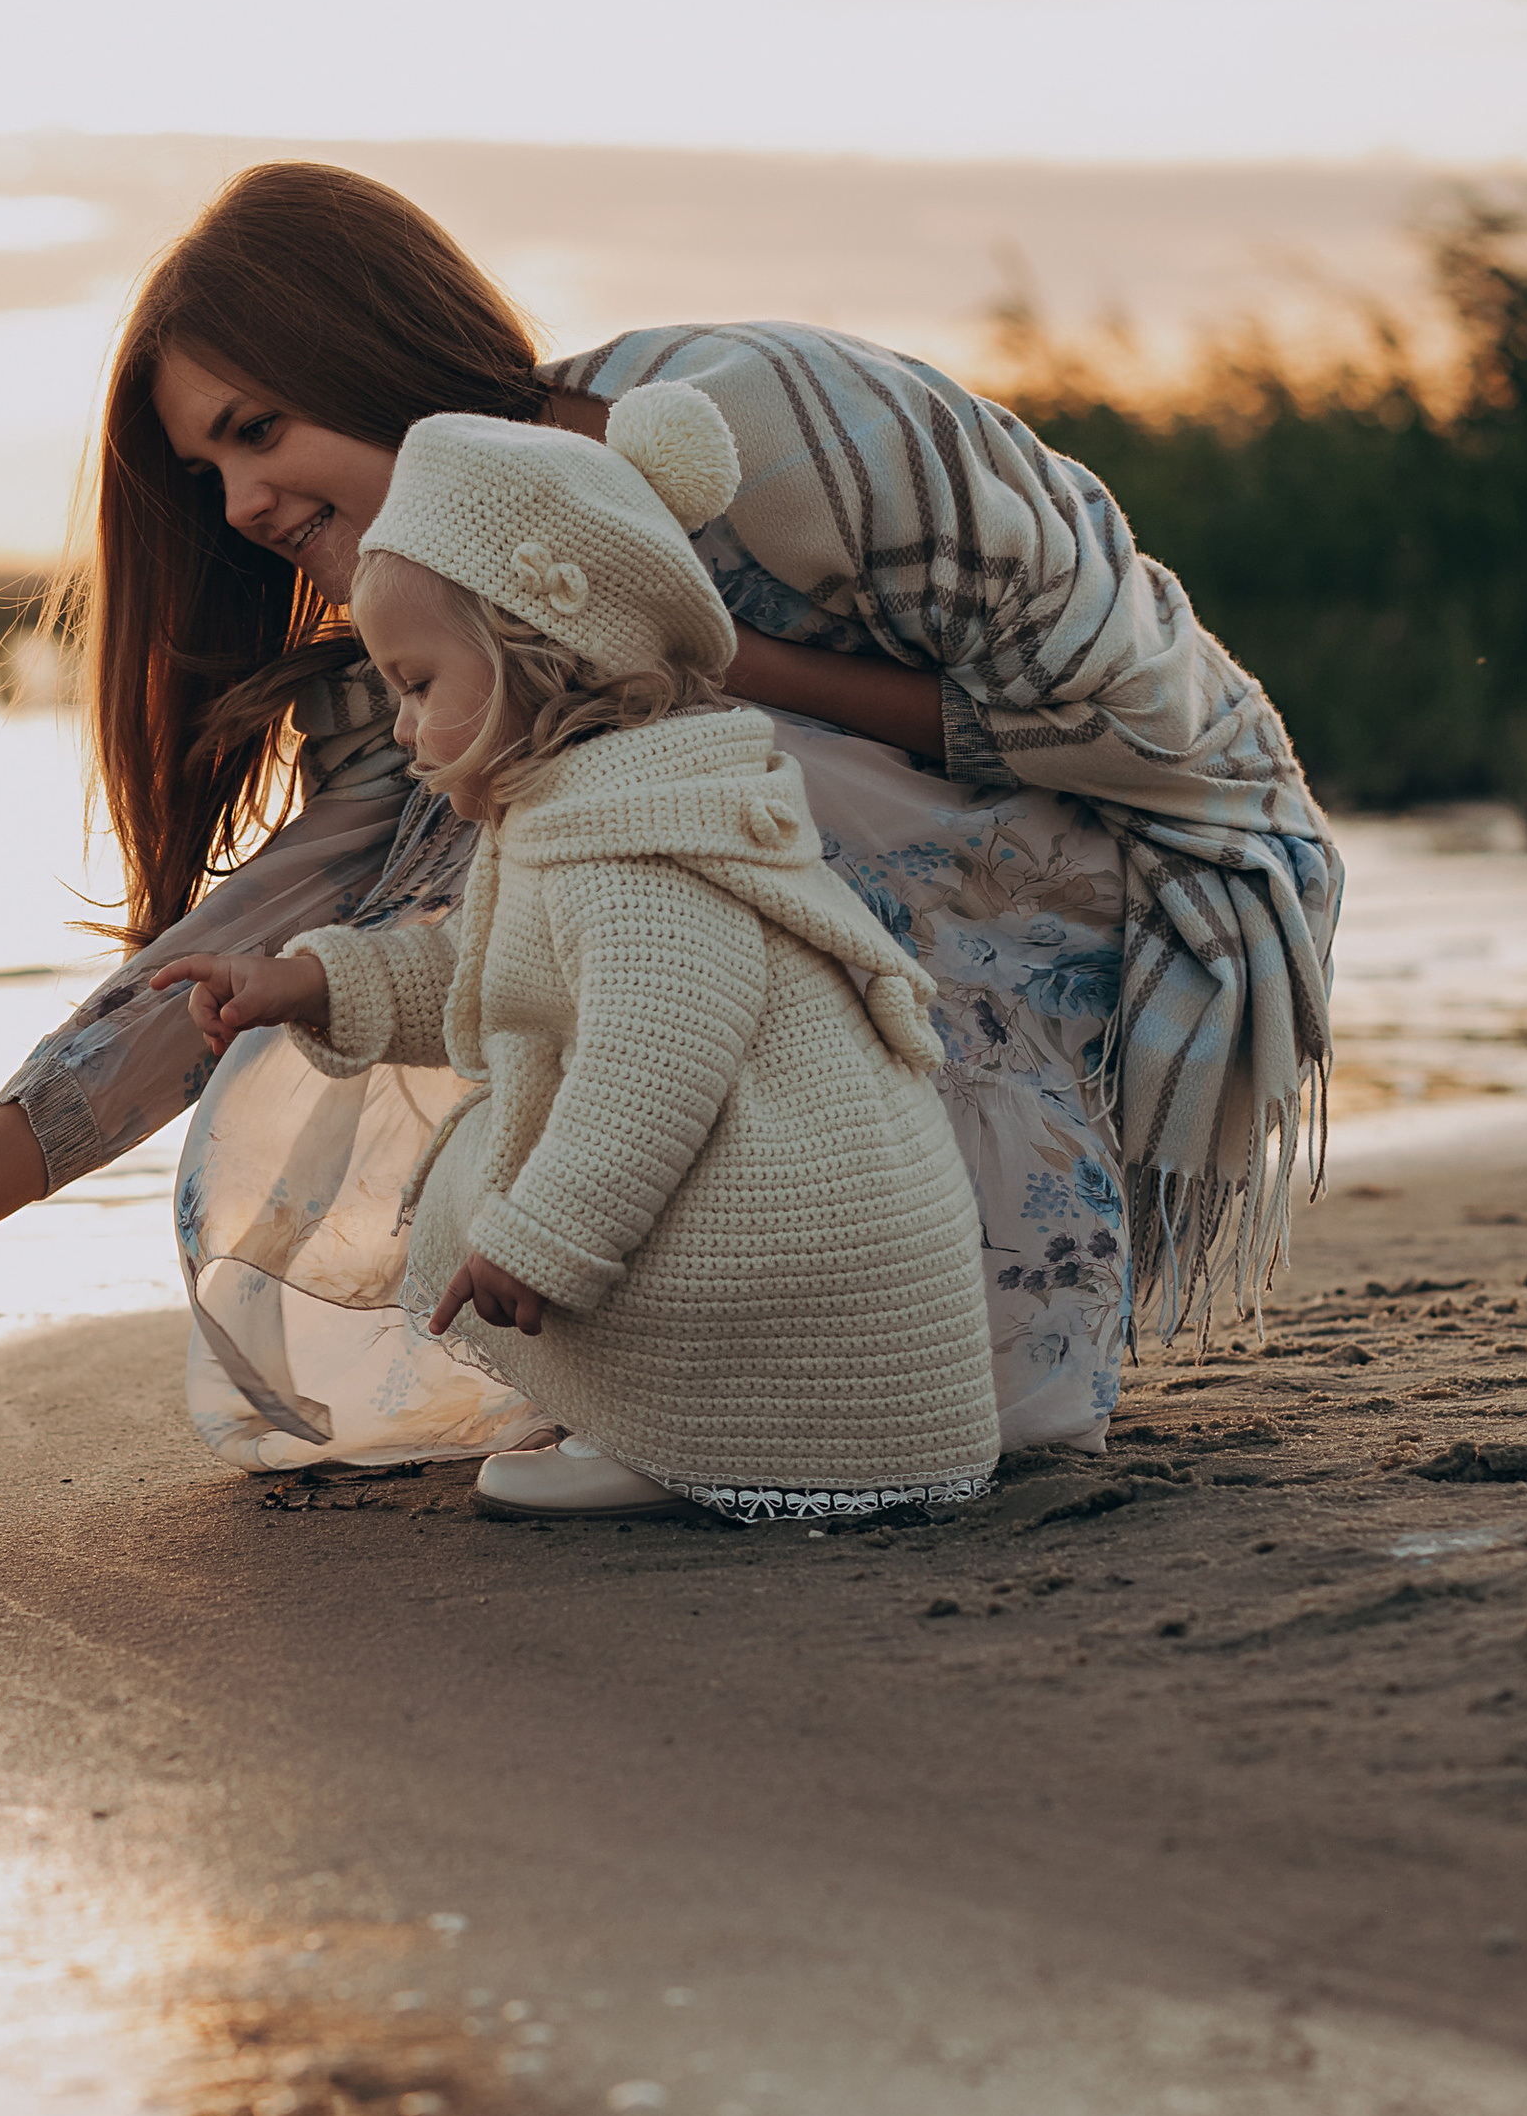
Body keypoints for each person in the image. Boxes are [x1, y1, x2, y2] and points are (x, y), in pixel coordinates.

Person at [0, 162, 1339, 1466]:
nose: (240, 506)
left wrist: (692, 658)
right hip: (856, 913)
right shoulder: (462, 646)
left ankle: (944, 1340)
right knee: (428, 907)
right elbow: (250, 935)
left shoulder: (748, 425)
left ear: (366, 347)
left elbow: (1143, 724)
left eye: (257, 431)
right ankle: (702, 1356)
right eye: (206, 474)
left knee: (640, 789)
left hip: (1158, 878)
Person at [157, 382, 1001, 1523]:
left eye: (417, 684)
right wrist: (309, 982)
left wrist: (541, 1244)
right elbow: (493, 980)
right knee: (513, 1136)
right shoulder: (599, 810)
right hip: (796, 1239)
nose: (401, 725)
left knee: (513, 1167)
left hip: (791, 1234)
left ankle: (694, 1434)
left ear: (541, 652)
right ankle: (669, 1415)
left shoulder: (632, 851)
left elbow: (649, 1068)